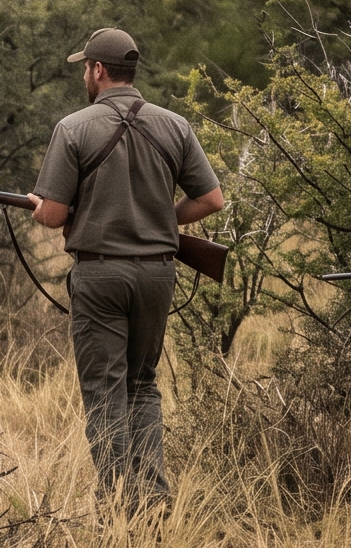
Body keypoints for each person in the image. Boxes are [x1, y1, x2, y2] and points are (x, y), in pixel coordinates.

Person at [25, 28, 226, 505]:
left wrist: (38, 206)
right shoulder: (174, 125)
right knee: (142, 386)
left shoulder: (74, 127)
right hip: (158, 273)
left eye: (85, 68)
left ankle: (117, 502)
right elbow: (212, 199)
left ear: (97, 70)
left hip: (100, 274)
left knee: (104, 390)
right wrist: (161, 221)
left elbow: (52, 216)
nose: (84, 76)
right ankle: (152, 499)